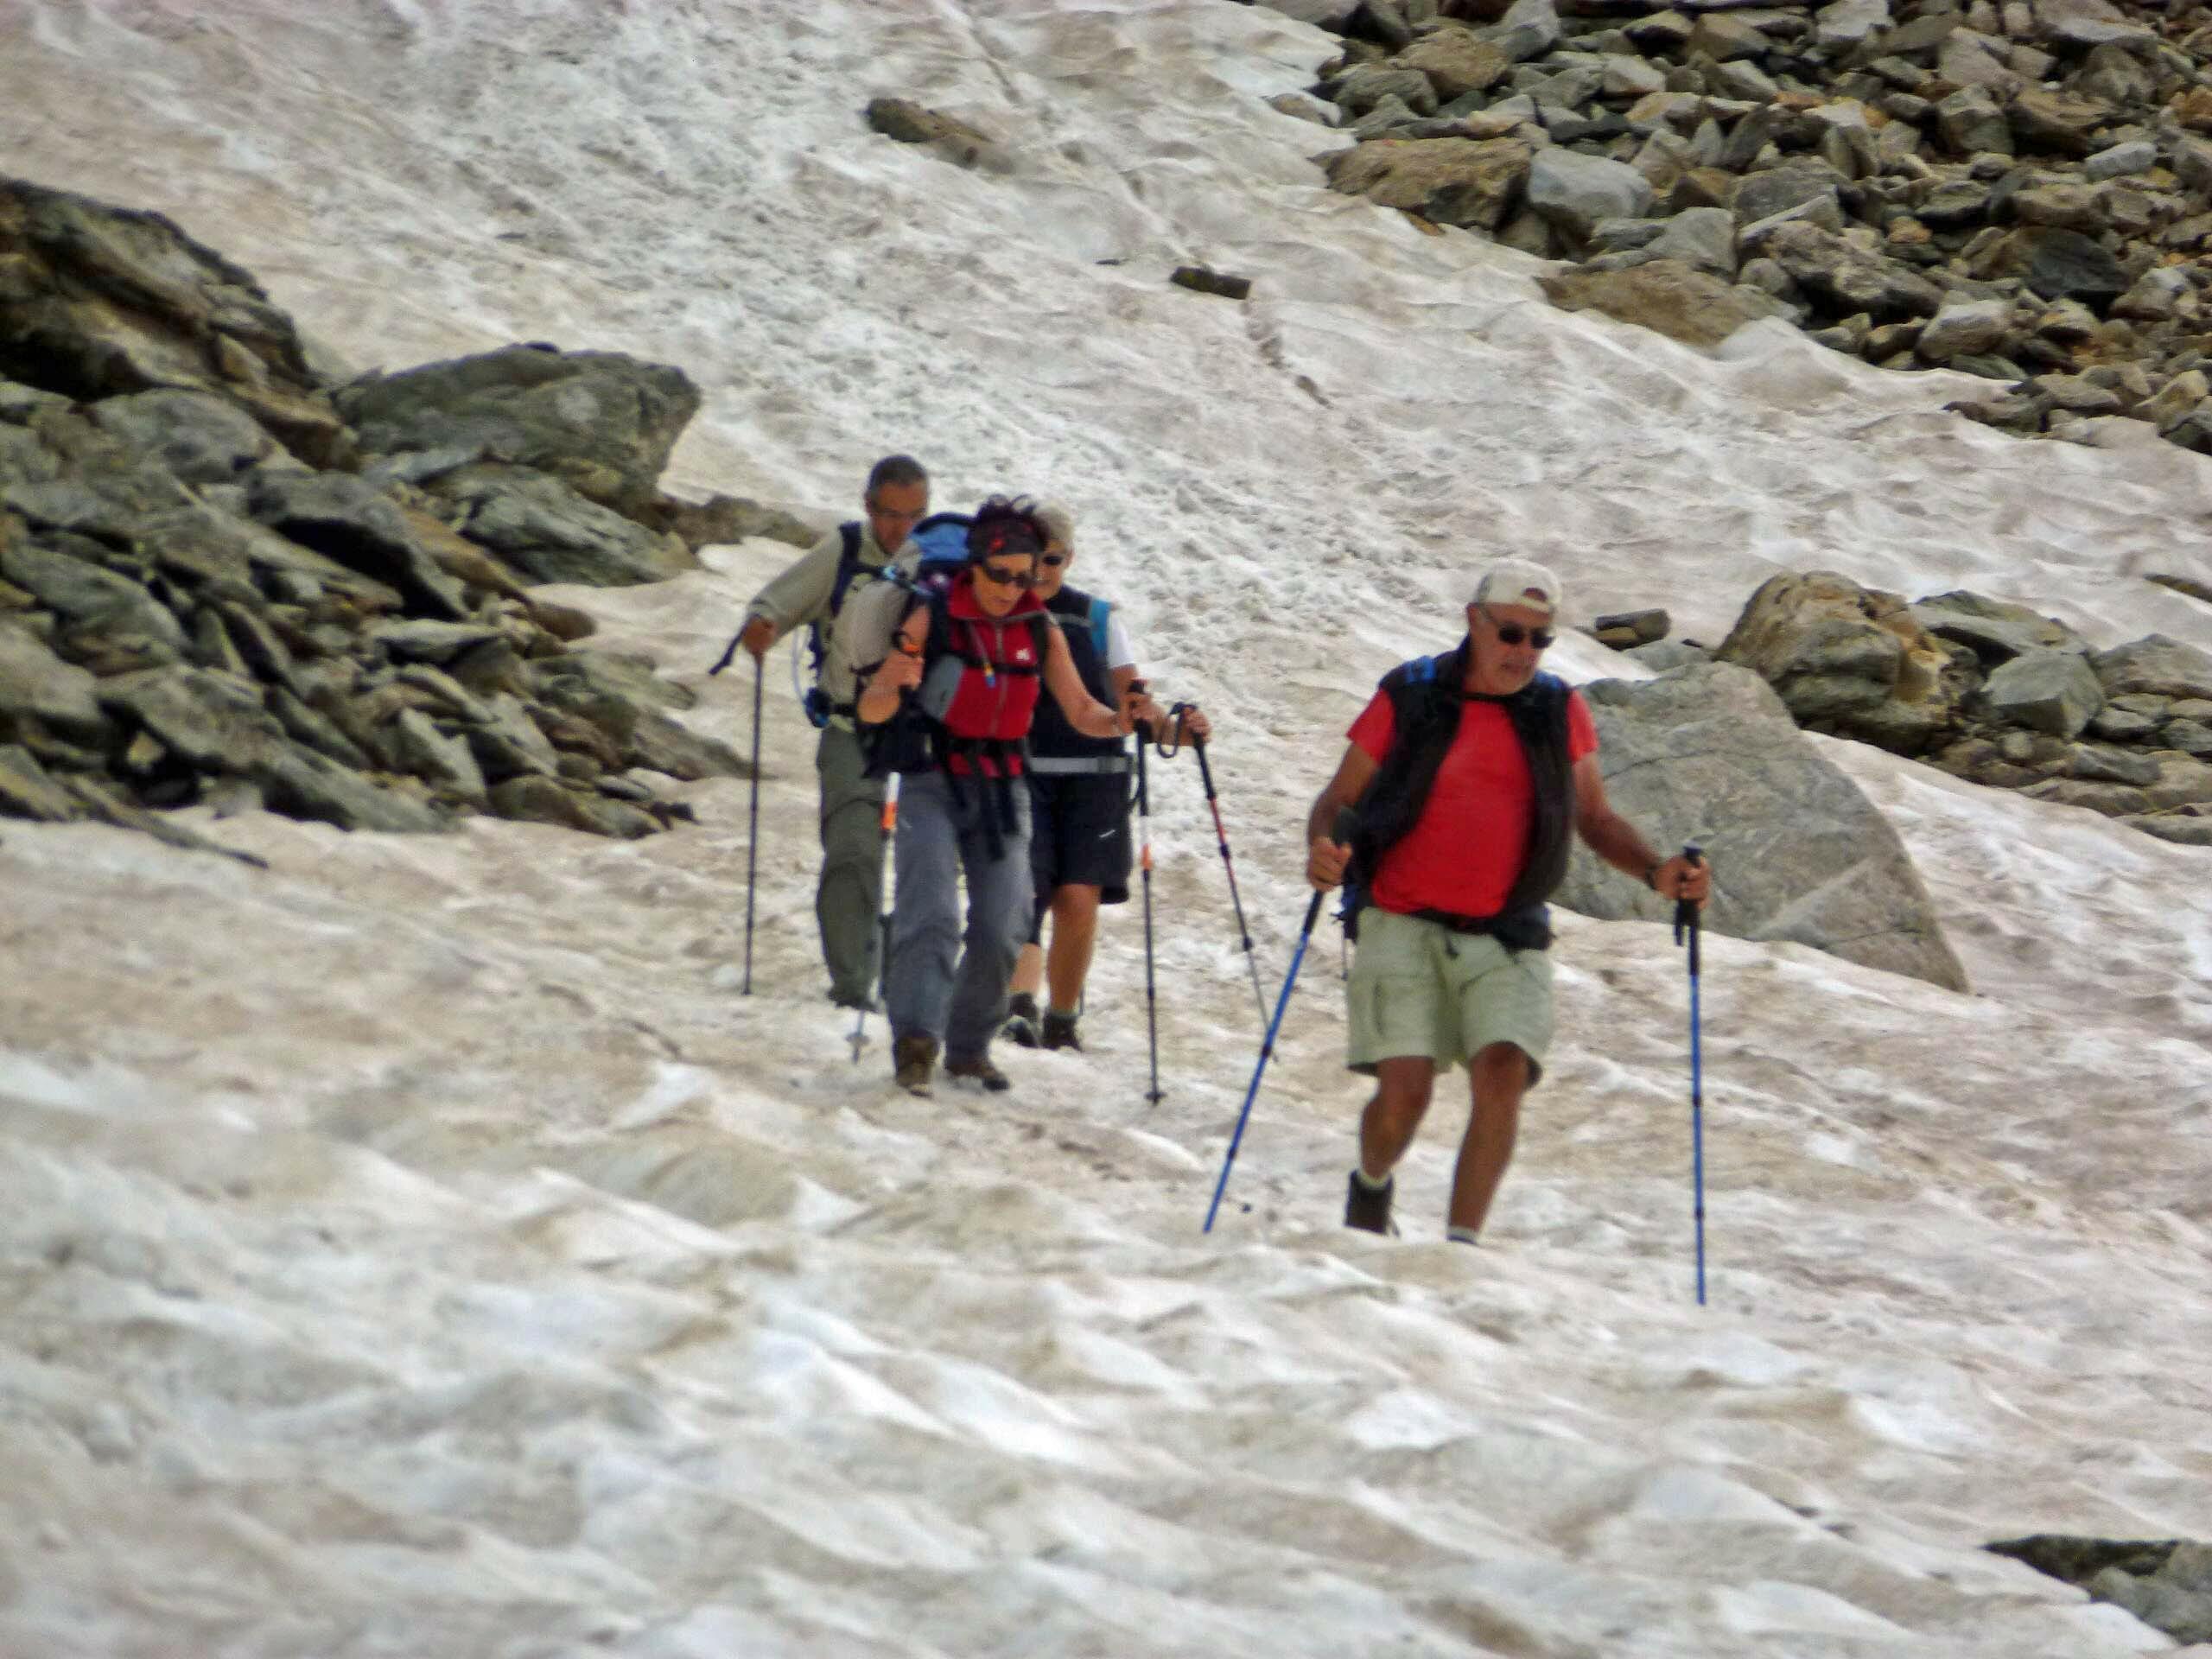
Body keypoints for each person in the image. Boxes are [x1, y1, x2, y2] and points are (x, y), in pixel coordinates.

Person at [1303, 558, 1712, 1243]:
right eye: (1511, 633)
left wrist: (1656, 872)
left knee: (1503, 1073)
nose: (1524, 652)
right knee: (1405, 1096)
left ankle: (1460, 1251)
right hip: (1399, 917)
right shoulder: (1411, 694)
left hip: (1508, 929)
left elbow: (1595, 817)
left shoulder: (1557, 710)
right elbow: (1339, 798)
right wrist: (1323, 846)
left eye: (1540, 638)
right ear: (1474, 621)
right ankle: (1371, 1185)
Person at [844, 498, 1160, 1096]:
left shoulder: (1040, 627)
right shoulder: (934, 615)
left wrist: (1123, 721)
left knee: (1004, 921)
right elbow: (873, 708)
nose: (1012, 588)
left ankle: (969, 1046)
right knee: (931, 913)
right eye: (1000, 575)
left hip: (1003, 785)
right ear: (975, 566)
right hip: (932, 780)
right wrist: (891, 684)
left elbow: (1082, 711)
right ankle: (916, 1042)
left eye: (1023, 576)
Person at [1001, 502, 1210, 1052]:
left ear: (1068, 559)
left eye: (1052, 560)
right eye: (1034, 558)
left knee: (1077, 898)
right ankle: (1017, 1005)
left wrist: (1179, 734)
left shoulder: (1096, 619)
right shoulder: (1000, 608)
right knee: (1026, 889)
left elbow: (1133, 708)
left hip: (1095, 779)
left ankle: (1061, 1018)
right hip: (1021, 773)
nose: (1041, 571)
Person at [734, 455, 929, 1009]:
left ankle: (909, 982)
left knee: (924, 862)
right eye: (891, 515)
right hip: (850, 730)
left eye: (915, 515)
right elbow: (777, 602)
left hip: (922, 738)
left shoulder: (937, 561)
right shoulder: (842, 551)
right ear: (868, 506)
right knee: (854, 851)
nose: (903, 528)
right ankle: (854, 985)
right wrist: (763, 626)